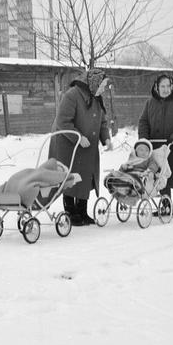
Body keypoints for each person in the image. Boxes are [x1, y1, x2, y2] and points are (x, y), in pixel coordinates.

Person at [49, 67, 113, 226]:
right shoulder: (72, 95)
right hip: (68, 144)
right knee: (70, 176)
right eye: (102, 85)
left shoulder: (96, 98)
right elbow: (62, 122)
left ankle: (82, 212)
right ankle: (71, 212)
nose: (103, 89)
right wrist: (78, 136)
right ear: (94, 82)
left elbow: (102, 122)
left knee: (85, 176)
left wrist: (106, 139)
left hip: (87, 147)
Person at [138, 73, 173, 217]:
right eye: (162, 86)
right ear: (156, 88)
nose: (165, 89)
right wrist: (144, 140)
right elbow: (143, 121)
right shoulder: (150, 102)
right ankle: (165, 206)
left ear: (172, 87)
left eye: (167, 86)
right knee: (161, 176)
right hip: (158, 145)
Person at [0, 158, 81, 208]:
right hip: (26, 181)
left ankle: (11, 189)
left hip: (20, 186)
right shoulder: (45, 172)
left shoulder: (40, 172)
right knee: (26, 178)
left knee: (24, 180)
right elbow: (52, 176)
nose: (60, 173)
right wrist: (70, 177)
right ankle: (14, 188)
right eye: (60, 171)